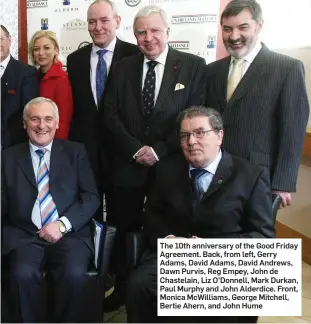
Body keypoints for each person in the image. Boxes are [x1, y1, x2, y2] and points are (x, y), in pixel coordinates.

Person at [126, 106, 275, 323]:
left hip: (225, 264)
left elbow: (263, 238)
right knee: (138, 285)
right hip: (174, 257)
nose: (191, 141)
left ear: (219, 136)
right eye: (185, 135)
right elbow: (152, 214)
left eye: (199, 133)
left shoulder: (250, 175)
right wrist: (168, 240)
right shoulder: (166, 170)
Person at [102, 4, 206, 305]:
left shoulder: (193, 66)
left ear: (168, 31)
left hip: (171, 167)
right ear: (134, 36)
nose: (148, 38)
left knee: (169, 230)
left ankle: (171, 294)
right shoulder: (122, 67)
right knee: (124, 230)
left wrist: (158, 151)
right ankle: (124, 290)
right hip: (127, 166)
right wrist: (135, 149)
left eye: (154, 30)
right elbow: (110, 114)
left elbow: (195, 117)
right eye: (141, 32)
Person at [1, 97, 100, 323]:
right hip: (25, 235)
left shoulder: (76, 152)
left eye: (48, 119)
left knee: (73, 275)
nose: (41, 126)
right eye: (34, 119)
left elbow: (91, 197)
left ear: (57, 123)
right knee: (20, 276)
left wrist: (62, 225)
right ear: (24, 124)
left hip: (70, 235)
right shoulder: (7, 157)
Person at [205, 0, 309, 209]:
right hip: (214, 174)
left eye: (243, 27)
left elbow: (293, 130)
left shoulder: (287, 68)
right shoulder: (212, 70)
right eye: (227, 29)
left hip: (259, 178)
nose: (234, 36)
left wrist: (282, 184)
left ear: (259, 26)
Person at [67, 0, 140, 222]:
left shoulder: (135, 54)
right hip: (87, 152)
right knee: (89, 213)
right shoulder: (74, 60)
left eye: (104, 20)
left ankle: (120, 258)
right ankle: (92, 256)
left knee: (124, 217)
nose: (97, 27)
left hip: (124, 151)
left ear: (117, 22)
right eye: (92, 22)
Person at [28, 30, 73, 139]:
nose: (41, 53)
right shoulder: (30, 76)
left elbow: (63, 119)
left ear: (56, 50)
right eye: (36, 49)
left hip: (53, 142)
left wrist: (56, 146)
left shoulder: (61, 79)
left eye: (46, 48)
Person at [1, 25, 39, 149]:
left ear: (9, 40)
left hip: (13, 147)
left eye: (0, 39)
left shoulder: (26, 73)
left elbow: (28, 113)